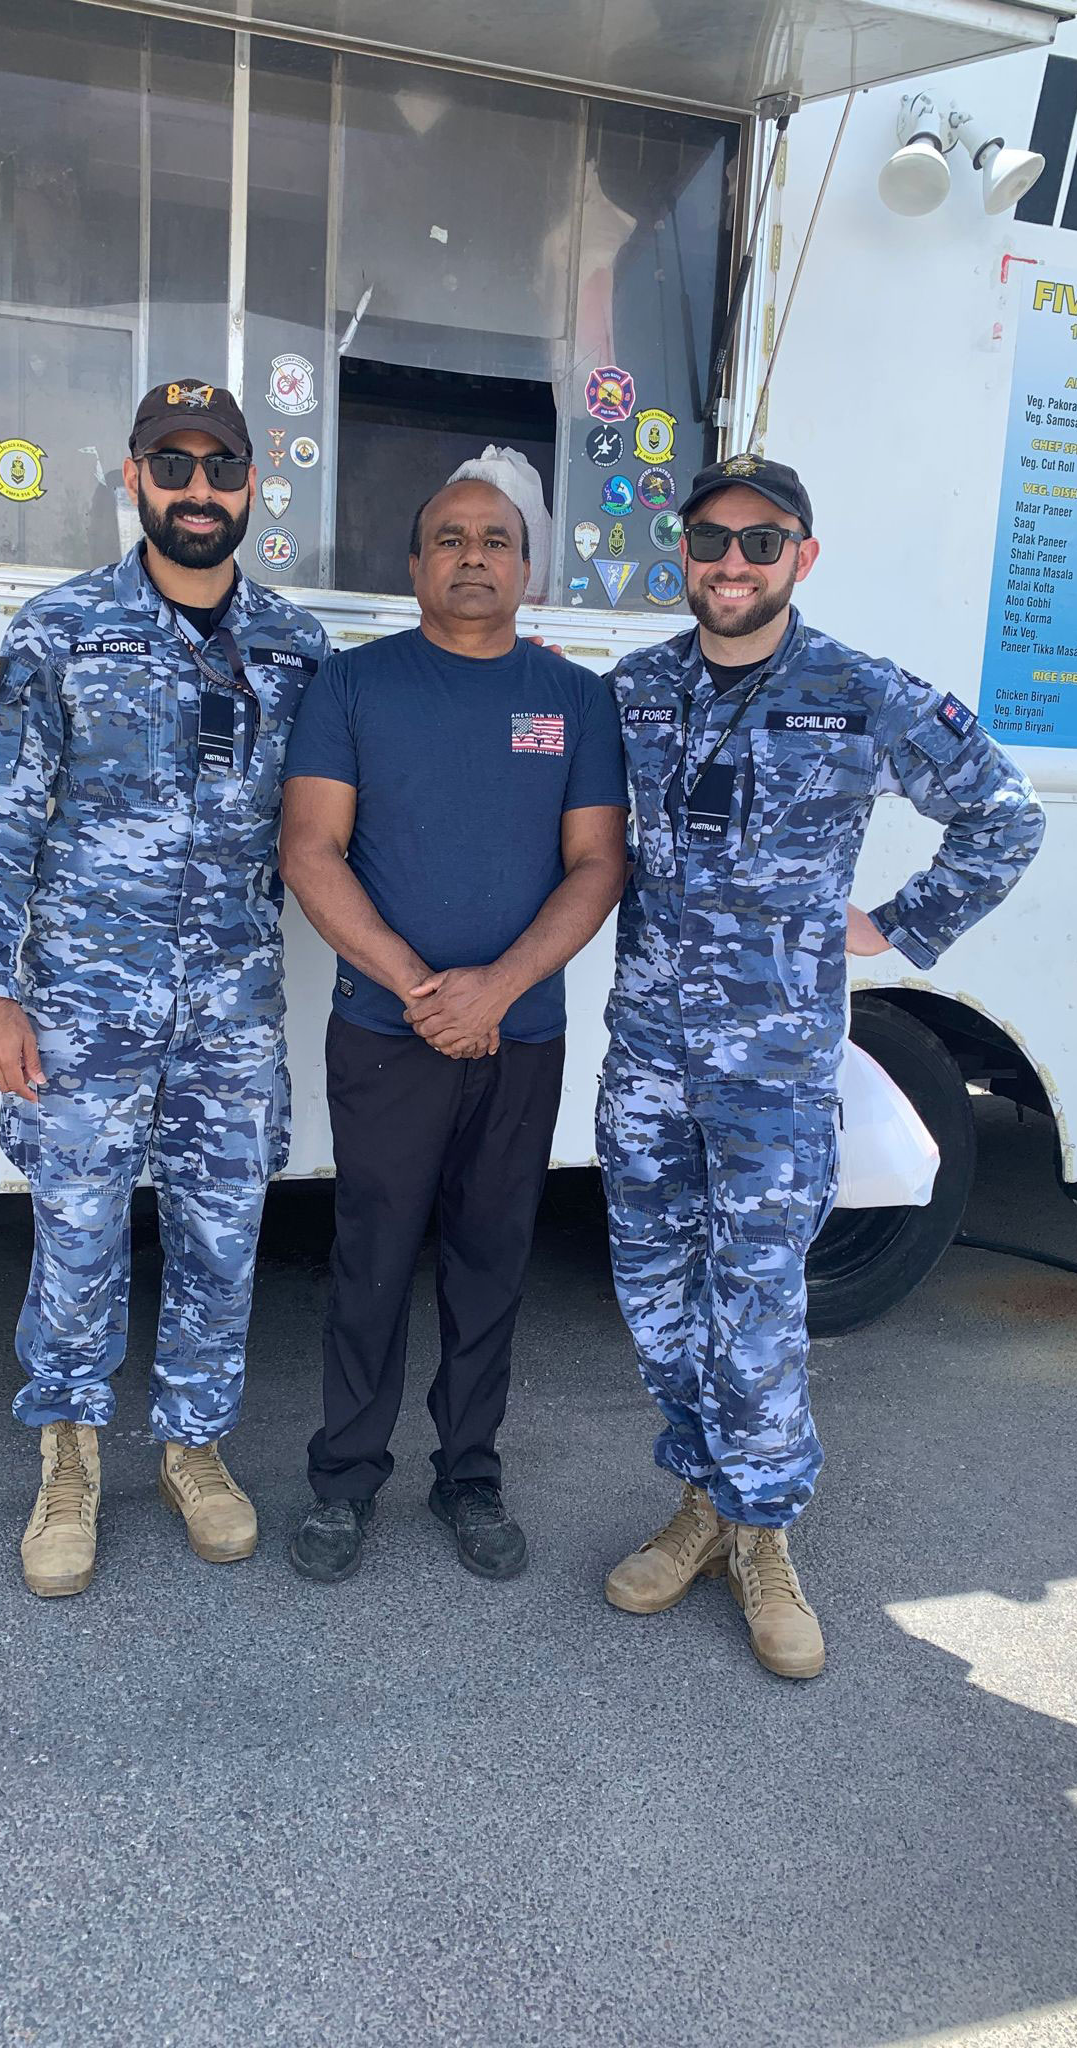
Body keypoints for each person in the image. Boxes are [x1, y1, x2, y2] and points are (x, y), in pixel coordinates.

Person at [598, 454, 1045, 1678]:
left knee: (757, 1311)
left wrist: (899, 927)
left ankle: (763, 1530)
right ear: (681, 554)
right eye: (710, 540)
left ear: (802, 554)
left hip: (775, 1073)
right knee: (654, 1298)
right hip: (646, 1064)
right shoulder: (632, 691)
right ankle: (700, 1499)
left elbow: (1005, 814)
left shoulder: (859, 691)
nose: (730, 562)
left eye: (761, 540)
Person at [0, 379, 329, 1599]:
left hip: (229, 1008)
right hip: (79, 1008)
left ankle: (194, 1445)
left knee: (223, 1235)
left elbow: (337, 828)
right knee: (78, 1234)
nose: (198, 490)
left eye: (221, 468)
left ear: (253, 488)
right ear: (134, 478)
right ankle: (68, 1456)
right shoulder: (61, 632)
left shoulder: (299, 648)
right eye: (174, 466)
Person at [278, 478, 627, 1585]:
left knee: (491, 1261)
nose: (472, 555)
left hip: (521, 1040)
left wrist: (498, 990)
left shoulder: (576, 700)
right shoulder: (352, 685)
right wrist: (427, 988)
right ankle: (344, 1478)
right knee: (371, 1258)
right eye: (448, 539)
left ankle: (470, 1473)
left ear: (528, 567)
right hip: (385, 1030)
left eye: (495, 539)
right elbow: (309, 851)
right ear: (415, 566)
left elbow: (596, 863)